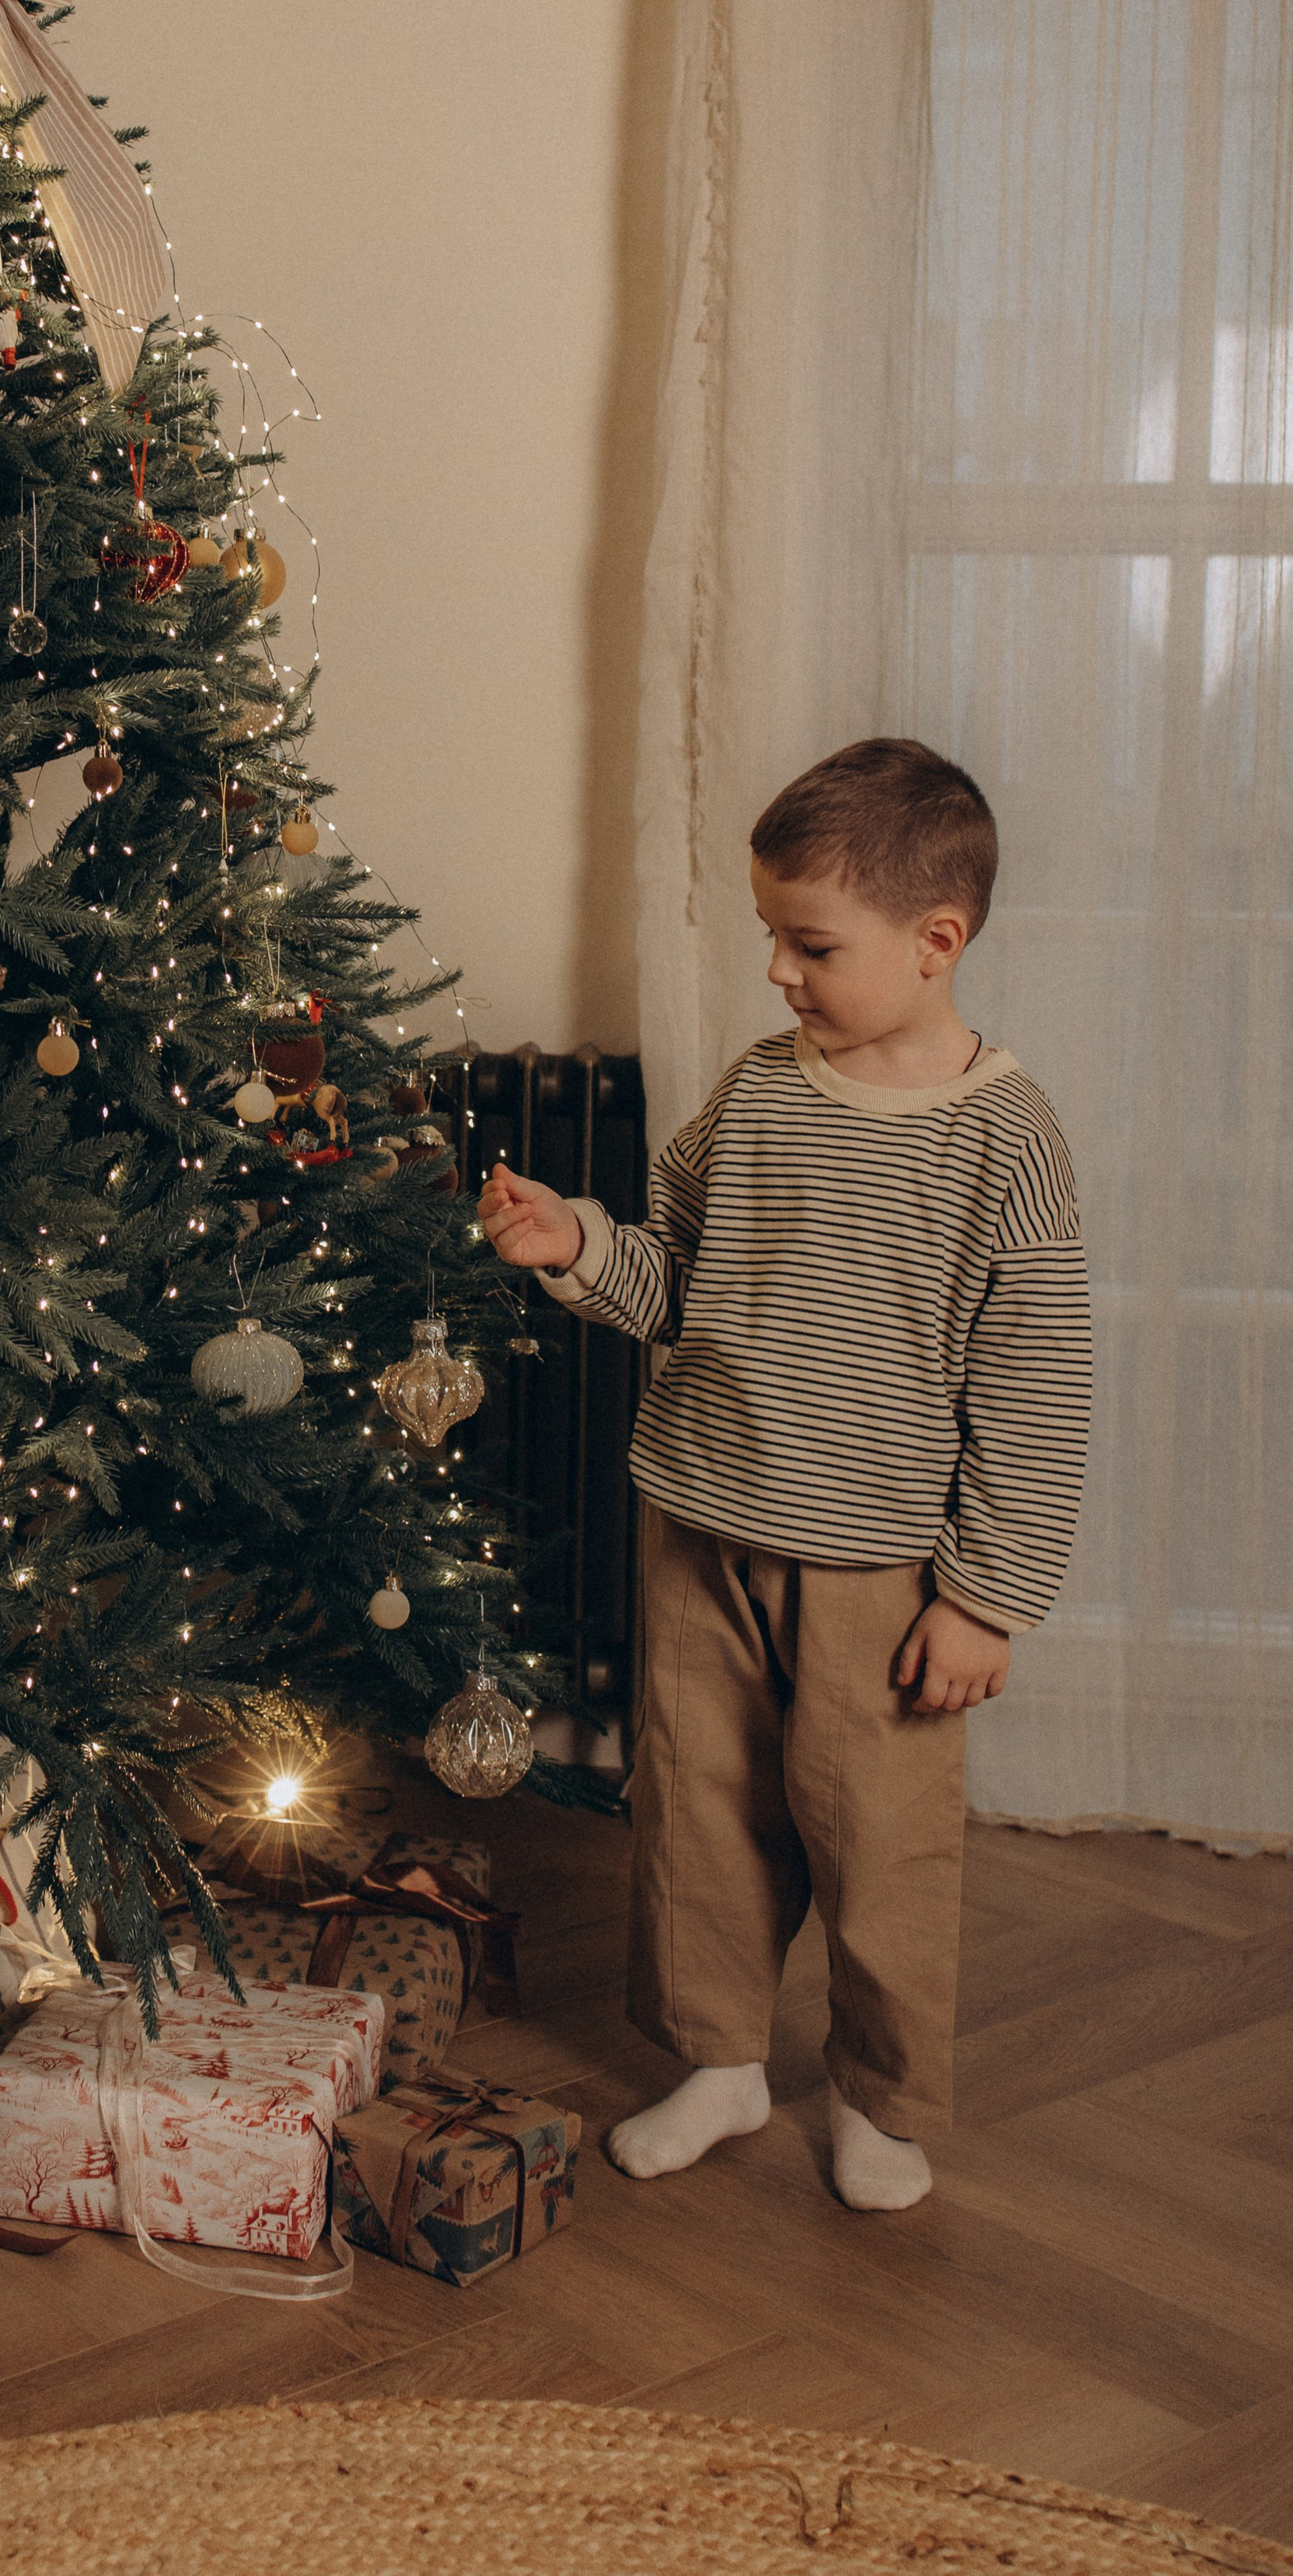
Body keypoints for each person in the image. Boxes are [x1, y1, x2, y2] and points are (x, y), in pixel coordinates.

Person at [479, 740, 1089, 2212]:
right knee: (693, 1809)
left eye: (811, 944)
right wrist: (579, 1248)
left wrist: (986, 1599)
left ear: (937, 942)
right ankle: (719, 2057)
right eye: (771, 936)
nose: (776, 972)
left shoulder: (1006, 1143)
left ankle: (877, 2093)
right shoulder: (756, 1094)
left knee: (877, 1841)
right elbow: (672, 1274)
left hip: (879, 1566)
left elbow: (1037, 1393)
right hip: (698, 1517)